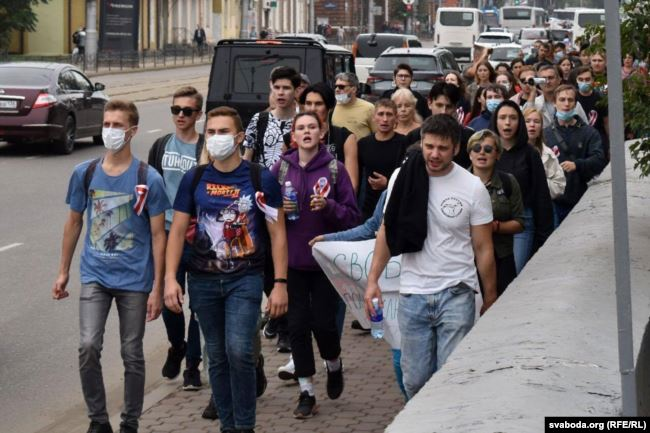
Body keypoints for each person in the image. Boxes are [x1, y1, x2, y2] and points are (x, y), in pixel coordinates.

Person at [165, 106, 289, 433]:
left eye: (223, 132)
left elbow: (277, 233)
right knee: (216, 358)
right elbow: (177, 231)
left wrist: (279, 283)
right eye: (211, 132)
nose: (216, 138)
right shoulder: (195, 178)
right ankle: (228, 426)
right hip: (203, 281)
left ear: (238, 137)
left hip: (245, 279)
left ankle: (244, 426)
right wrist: (169, 280)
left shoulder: (259, 177)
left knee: (240, 351)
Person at [53, 99, 170, 433]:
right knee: (88, 346)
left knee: (132, 352)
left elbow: (158, 235)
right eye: (107, 124)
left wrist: (157, 287)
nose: (110, 131)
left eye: (117, 126)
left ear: (132, 131)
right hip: (95, 276)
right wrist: (63, 271)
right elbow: (73, 222)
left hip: (134, 280)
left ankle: (130, 422)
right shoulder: (85, 172)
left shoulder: (149, 178)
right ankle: (98, 420)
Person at [364, 114, 498, 400]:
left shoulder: (472, 187)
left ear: (456, 149)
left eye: (442, 148)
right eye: (429, 146)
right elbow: (388, 230)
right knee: (415, 380)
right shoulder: (403, 176)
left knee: (451, 379)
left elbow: (483, 248)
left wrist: (490, 298)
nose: (434, 154)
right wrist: (372, 279)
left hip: (457, 291)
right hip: (413, 293)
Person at [271, 112, 360, 418]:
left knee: (323, 324)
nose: (306, 132)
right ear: (293, 135)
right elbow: (266, 210)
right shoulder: (281, 168)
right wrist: (280, 208)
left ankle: (334, 364)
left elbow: (353, 216)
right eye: (300, 128)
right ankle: (306, 391)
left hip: (325, 261)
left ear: (322, 133)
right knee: (296, 327)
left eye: (312, 127)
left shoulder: (335, 170)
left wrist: (330, 206)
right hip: (292, 262)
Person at [148, 87, 204, 389]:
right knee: (170, 297)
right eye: (175, 110)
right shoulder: (160, 146)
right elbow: (151, 191)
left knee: (198, 304)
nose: (180, 115)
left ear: (198, 114)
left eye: (187, 111)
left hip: (198, 237)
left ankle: (193, 364)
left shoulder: (205, 148)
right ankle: (176, 345)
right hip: (167, 235)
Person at [490, 100, 554, 273]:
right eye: (502, 117)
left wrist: (544, 234)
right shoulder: (486, 152)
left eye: (512, 118)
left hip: (522, 220)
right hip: (490, 221)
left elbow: (541, 194)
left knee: (515, 273)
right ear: (495, 121)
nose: (507, 123)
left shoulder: (529, 153)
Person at [467, 129, 524, 297]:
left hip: (502, 258)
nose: (482, 153)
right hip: (467, 259)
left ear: (497, 154)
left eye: (488, 149)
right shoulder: (459, 182)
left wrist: (494, 227)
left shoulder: (508, 182)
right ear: (470, 154)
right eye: (476, 148)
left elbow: (520, 223)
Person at [542, 85, 607, 226]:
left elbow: (599, 160)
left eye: (570, 100)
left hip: (581, 199)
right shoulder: (545, 134)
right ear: (554, 102)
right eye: (562, 99)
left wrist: (577, 165)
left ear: (576, 103)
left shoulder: (589, 133)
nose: (566, 104)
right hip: (553, 201)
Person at [357, 99, 409, 220]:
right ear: (374, 117)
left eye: (389, 114)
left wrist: (388, 183)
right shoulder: (363, 144)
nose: (385, 119)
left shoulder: (405, 143)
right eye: (381, 114)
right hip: (369, 209)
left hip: (396, 207)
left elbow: (409, 178)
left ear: (396, 118)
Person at [407, 82, 474, 170]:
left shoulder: (468, 137)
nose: (443, 111)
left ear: (455, 107)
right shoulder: (414, 137)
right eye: (439, 105)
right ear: (429, 103)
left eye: (448, 106)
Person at [243, 66, 300, 168]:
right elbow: (247, 158)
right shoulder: (258, 119)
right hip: (262, 182)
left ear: (296, 91)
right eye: (277, 87)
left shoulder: (302, 122)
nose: (280, 93)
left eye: (286, 88)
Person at [523, 64, 588, 128]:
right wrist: (532, 92)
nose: (547, 82)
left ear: (559, 80)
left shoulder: (571, 103)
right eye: (543, 79)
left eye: (551, 78)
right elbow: (525, 123)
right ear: (538, 82)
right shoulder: (535, 103)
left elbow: (586, 127)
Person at [523, 107, 566, 200]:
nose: (532, 125)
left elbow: (559, 186)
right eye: (528, 121)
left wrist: (538, 180)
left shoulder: (548, 153)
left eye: (537, 122)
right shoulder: (512, 151)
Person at [570, 65, 610, 159]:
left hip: (598, 139)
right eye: (581, 79)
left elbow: (607, 122)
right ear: (576, 80)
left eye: (587, 79)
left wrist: (610, 144)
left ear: (593, 80)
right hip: (578, 140)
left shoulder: (600, 98)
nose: (584, 82)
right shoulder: (572, 98)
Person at [331, 72, 375, 140]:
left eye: (341, 87)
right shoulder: (331, 107)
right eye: (335, 86)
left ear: (354, 89)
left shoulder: (369, 108)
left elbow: (378, 134)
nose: (337, 89)